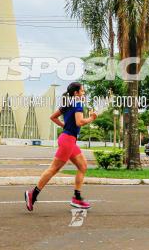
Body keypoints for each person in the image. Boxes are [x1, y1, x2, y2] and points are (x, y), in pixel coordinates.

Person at [25, 82, 97, 211]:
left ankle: (77, 198)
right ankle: (32, 194)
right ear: (76, 93)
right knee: (53, 169)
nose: (84, 93)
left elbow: (53, 117)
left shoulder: (67, 103)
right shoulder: (78, 103)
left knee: (83, 166)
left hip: (67, 139)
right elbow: (79, 122)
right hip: (68, 141)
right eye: (82, 91)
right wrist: (92, 118)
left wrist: (64, 126)